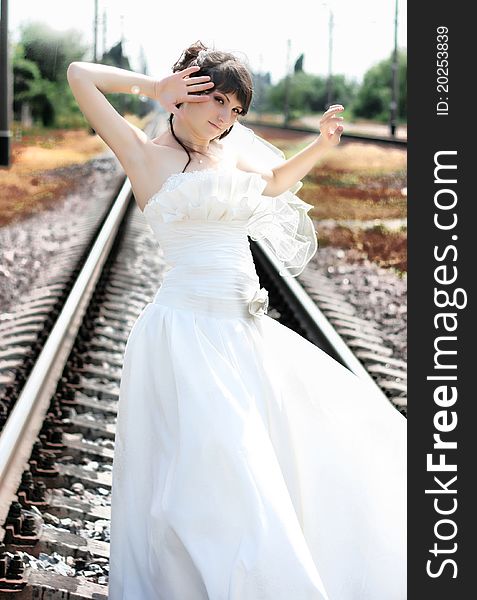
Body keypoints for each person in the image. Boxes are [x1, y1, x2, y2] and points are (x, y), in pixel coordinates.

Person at [67, 41, 406, 600]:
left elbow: (274, 182)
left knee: (298, 453)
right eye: (216, 100)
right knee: (218, 475)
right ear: (185, 93)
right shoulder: (143, 154)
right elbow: (80, 74)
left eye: (236, 110)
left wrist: (320, 146)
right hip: (185, 333)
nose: (225, 118)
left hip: (246, 334)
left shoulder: (230, 155)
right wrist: (153, 87)